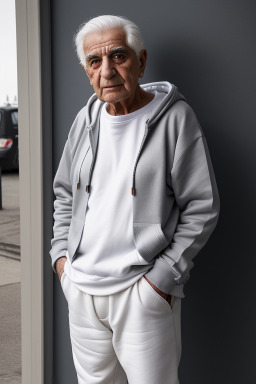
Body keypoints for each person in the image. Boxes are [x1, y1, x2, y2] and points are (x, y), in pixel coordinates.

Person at [49, 15, 220, 384]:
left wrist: (162, 278)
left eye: (118, 57)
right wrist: (62, 262)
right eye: (95, 62)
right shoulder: (86, 119)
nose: (107, 71)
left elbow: (202, 206)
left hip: (142, 291)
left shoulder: (175, 118)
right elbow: (65, 193)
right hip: (82, 290)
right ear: (86, 71)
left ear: (141, 62)